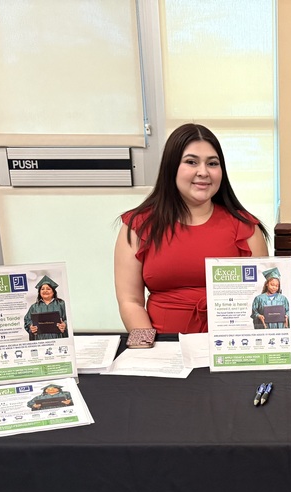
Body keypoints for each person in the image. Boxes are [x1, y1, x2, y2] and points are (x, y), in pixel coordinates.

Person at [114, 123, 269, 336]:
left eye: (212, 163)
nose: (203, 172)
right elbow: (130, 301)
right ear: (171, 167)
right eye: (191, 162)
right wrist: (147, 346)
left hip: (231, 345)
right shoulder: (137, 226)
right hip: (161, 346)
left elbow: (260, 300)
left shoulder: (246, 227)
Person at [24, 275, 67, 340]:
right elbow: (27, 320)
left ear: (53, 292)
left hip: (58, 338)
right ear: (39, 292)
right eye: (42, 289)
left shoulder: (61, 304)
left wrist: (65, 324)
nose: (45, 291)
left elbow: (69, 318)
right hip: (40, 339)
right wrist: (31, 326)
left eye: (48, 289)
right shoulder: (34, 307)